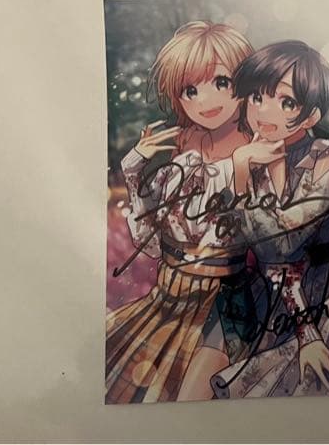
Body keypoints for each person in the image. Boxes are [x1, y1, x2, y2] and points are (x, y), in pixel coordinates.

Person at [212, 41, 329, 398]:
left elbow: (282, 246)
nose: (264, 110)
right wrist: (241, 170)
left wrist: (247, 173)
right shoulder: (248, 156)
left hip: (319, 296)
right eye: (257, 97)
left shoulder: (327, 160)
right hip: (259, 298)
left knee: (324, 396)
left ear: (311, 116)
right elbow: (229, 241)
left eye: (286, 102)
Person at [105, 21, 254, 403]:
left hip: (221, 302)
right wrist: (134, 166)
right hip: (167, 297)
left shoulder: (257, 146)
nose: (207, 100)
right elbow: (152, 241)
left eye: (222, 82)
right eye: (191, 89)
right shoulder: (185, 142)